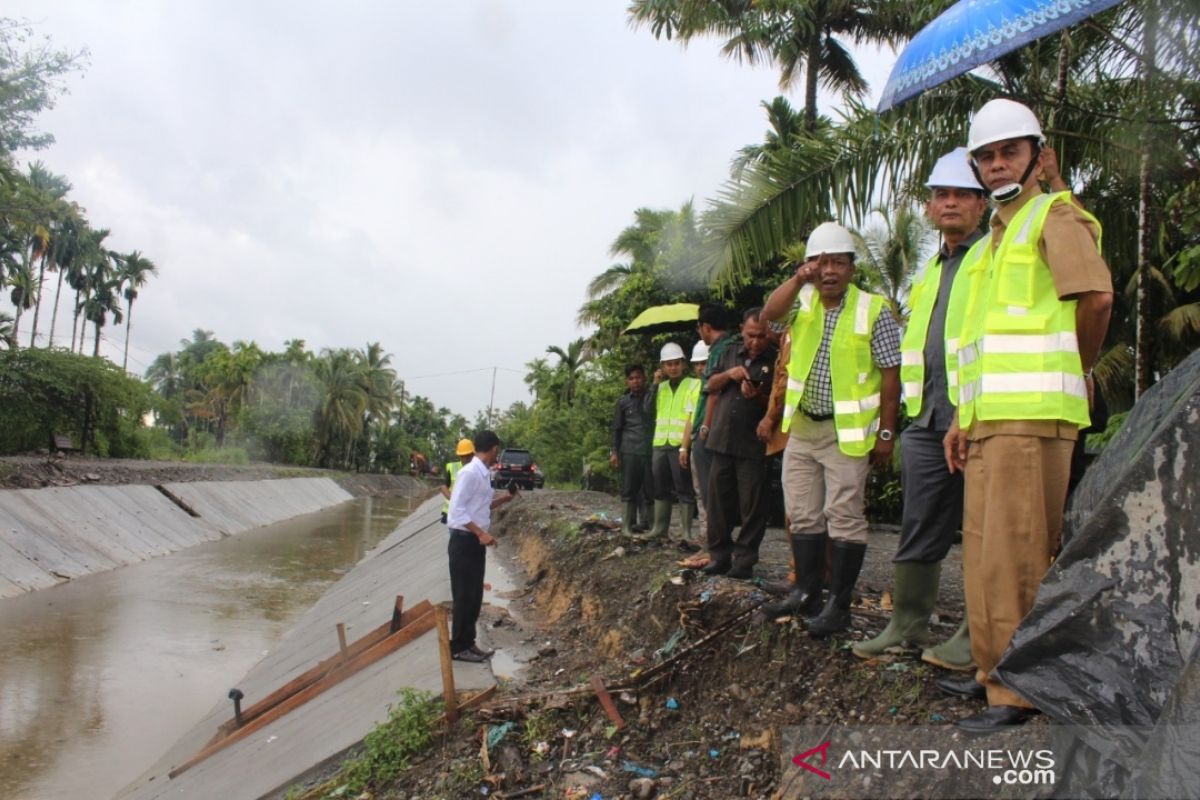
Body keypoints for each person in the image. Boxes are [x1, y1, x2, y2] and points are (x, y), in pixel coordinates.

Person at [940, 99, 1113, 733]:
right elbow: (982, 343)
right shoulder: (995, 237)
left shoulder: (1053, 216)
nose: (995, 164)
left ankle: (1018, 691)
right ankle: (991, 670)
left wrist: (1081, 366)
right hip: (989, 420)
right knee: (985, 555)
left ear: (1040, 157)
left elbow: (1095, 298)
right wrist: (963, 417)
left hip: (1033, 417)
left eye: (1008, 151)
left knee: (1017, 555)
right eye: (985, 156)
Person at [852, 149, 988, 667]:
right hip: (927, 420)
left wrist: (968, 411)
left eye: (961, 194)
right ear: (930, 208)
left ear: (981, 204)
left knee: (982, 531)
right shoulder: (930, 270)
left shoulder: (990, 255)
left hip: (977, 414)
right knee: (919, 524)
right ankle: (906, 622)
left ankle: (979, 635)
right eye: (941, 195)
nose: (950, 203)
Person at [759, 222, 902, 637]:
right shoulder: (801, 302)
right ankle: (806, 591)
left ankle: (839, 605)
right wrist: (797, 278)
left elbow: (891, 376)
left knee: (843, 516)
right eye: (820, 263)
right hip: (803, 429)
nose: (829, 271)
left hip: (848, 434)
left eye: (838, 262)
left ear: (852, 268)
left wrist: (887, 433)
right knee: (801, 513)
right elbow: (768, 314)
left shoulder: (873, 310)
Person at [699, 308, 778, 578]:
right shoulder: (729, 351)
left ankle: (744, 562)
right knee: (718, 503)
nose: (755, 342)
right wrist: (729, 375)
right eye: (750, 335)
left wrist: (757, 396)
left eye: (761, 336)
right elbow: (710, 385)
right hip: (722, 439)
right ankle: (718, 556)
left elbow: (779, 404)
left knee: (753, 506)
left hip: (753, 444)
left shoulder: (777, 359)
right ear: (741, 330)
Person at [445, 430, 519, 663]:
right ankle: (458, 647)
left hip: (474, 541)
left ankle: (468, 643)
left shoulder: (483, 473)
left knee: (474, 595)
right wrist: (481, 533)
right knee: (464, 596)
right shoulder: (469, 473)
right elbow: (457, 511)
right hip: (464, 540)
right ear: (493, 449)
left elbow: (481, 506)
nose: (498, 455)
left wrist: (505, 498)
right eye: (498, 451)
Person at [683, 303, 734, 542]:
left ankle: (715, 543)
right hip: (716, 429)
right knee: (711, 489)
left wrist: (705, 426)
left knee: (708, 490)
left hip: (709, 430)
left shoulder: (719, 351)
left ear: (706, 327)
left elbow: (714, 391)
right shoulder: (730, 348)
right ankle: (715, 541)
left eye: (699, 328)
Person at [645, 343, 700, 540]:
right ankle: (660, 529)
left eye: (676, 363)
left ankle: (686, 532)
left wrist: (685, 446)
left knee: (684, 487)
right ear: (662, 366)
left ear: (683, 364)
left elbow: (691, 417)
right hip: (660, 443)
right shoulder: (659, 388)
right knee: (660, 487)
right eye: (668, 364)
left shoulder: (693, 384)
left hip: (679, 444)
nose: (673, 367)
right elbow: (648, 411)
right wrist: (653, 384)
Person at [610, 364, 655, 536]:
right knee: (629, 489)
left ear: (644, 378)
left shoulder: (652, 396)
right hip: (629, 450)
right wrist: (614, 451)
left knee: (650, 489)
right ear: (627, 381)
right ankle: (627, 526)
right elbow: (617, 428)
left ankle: (650, 525)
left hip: (649, 450)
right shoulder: (623, 402)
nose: (635, 381)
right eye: (631, 378)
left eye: (638, 377)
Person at [678, 341, 710, 550]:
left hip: (713, 444)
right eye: (697, 364)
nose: (700, 368)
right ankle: (705, 534)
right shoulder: (694, 388)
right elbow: (689, 419)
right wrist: (684, 447)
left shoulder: (716, 386)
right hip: (697, 443)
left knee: (712, 491)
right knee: (699, 490)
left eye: (704, 363)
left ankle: (716, 536)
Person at [441, 438, 476, 525]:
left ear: (473, 455)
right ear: (459, 456)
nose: (466, 458)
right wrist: (453, 499)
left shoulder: (477, 469)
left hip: (470, 514)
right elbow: (443, 487)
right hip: (452, 512)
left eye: (468, 455)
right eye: (463, 456)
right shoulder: (452, 467)